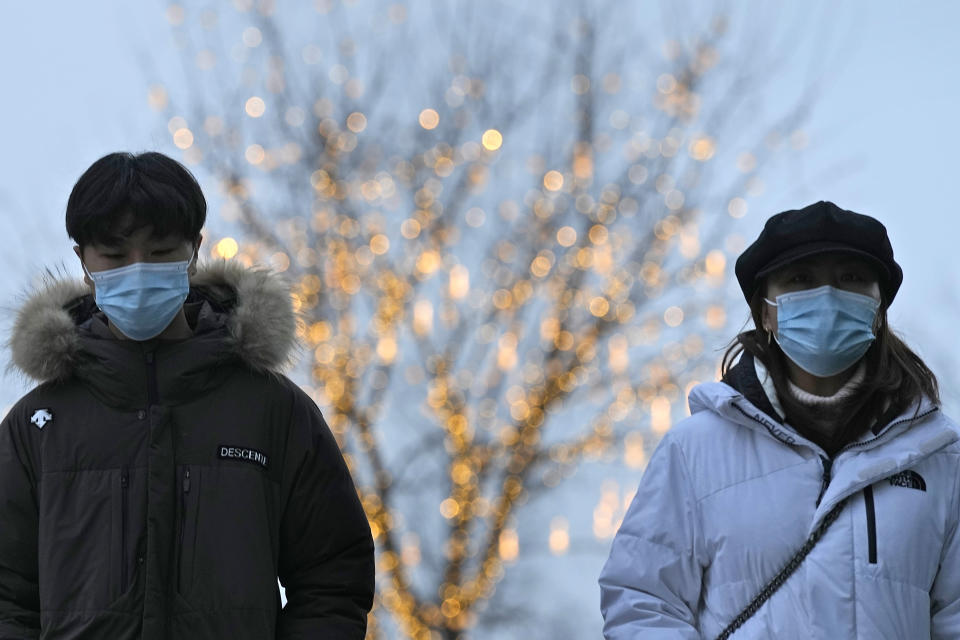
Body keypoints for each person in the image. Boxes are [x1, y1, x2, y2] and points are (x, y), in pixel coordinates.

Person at [0, 152, 375, 639]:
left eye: (159, 253)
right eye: (113, 256)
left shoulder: (273, 410)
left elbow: (333, 576)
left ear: (194, 250)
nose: (137, 271)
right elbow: (7, 593)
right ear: (83, 261)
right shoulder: (38, 424)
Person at [598, 201, 960, 638]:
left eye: (851, 279)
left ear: (878, 305)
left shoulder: (941, 458)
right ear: (766, 310)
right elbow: (642, 602)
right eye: (800, 279)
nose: (827, 297)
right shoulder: (695, 450)